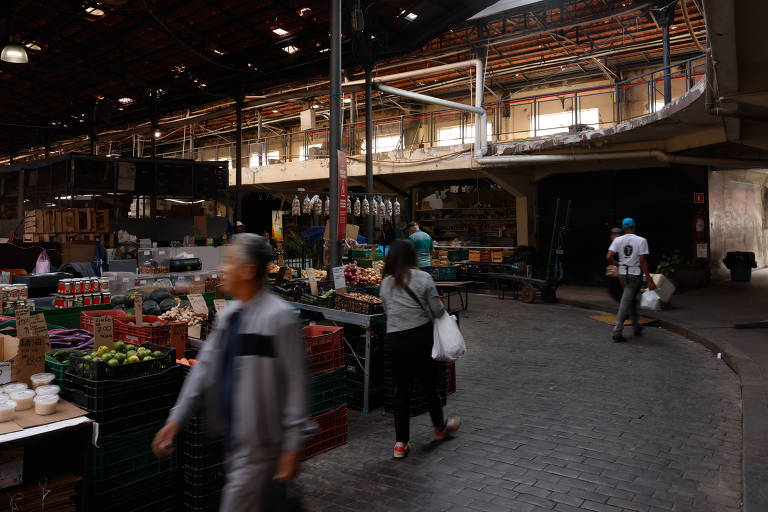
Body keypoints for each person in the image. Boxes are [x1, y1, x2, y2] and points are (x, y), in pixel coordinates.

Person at [152, 233, 310, 511]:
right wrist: (176, 420)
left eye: (230, 262)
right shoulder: (230, 316)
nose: (223, 268)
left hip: (263, 448)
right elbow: (204, 370)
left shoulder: (279, 319)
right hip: (236, 442)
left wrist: (292, 446)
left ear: (248, 271)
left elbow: (297, 388)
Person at [379, 240, 460, 459]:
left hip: (396, 340)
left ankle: (400, 443)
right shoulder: (423, 278)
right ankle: (439, 428)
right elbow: (437, 310)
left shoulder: (386, 283)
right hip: (420, 337)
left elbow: (387, 310)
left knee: (401, 392)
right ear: (412, 257)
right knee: (429, 385)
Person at [606, 218, 657, 342]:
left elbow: (608, 257)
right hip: (635, 275)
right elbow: (643, 261)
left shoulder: (618, 240)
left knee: (630, 298)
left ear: (623, 228)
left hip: (623, 275)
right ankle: (617, 332)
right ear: (634, 227)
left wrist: (618, 264)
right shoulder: (641, 240)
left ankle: (636, 326)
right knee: (626, 300)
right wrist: (649, 279)